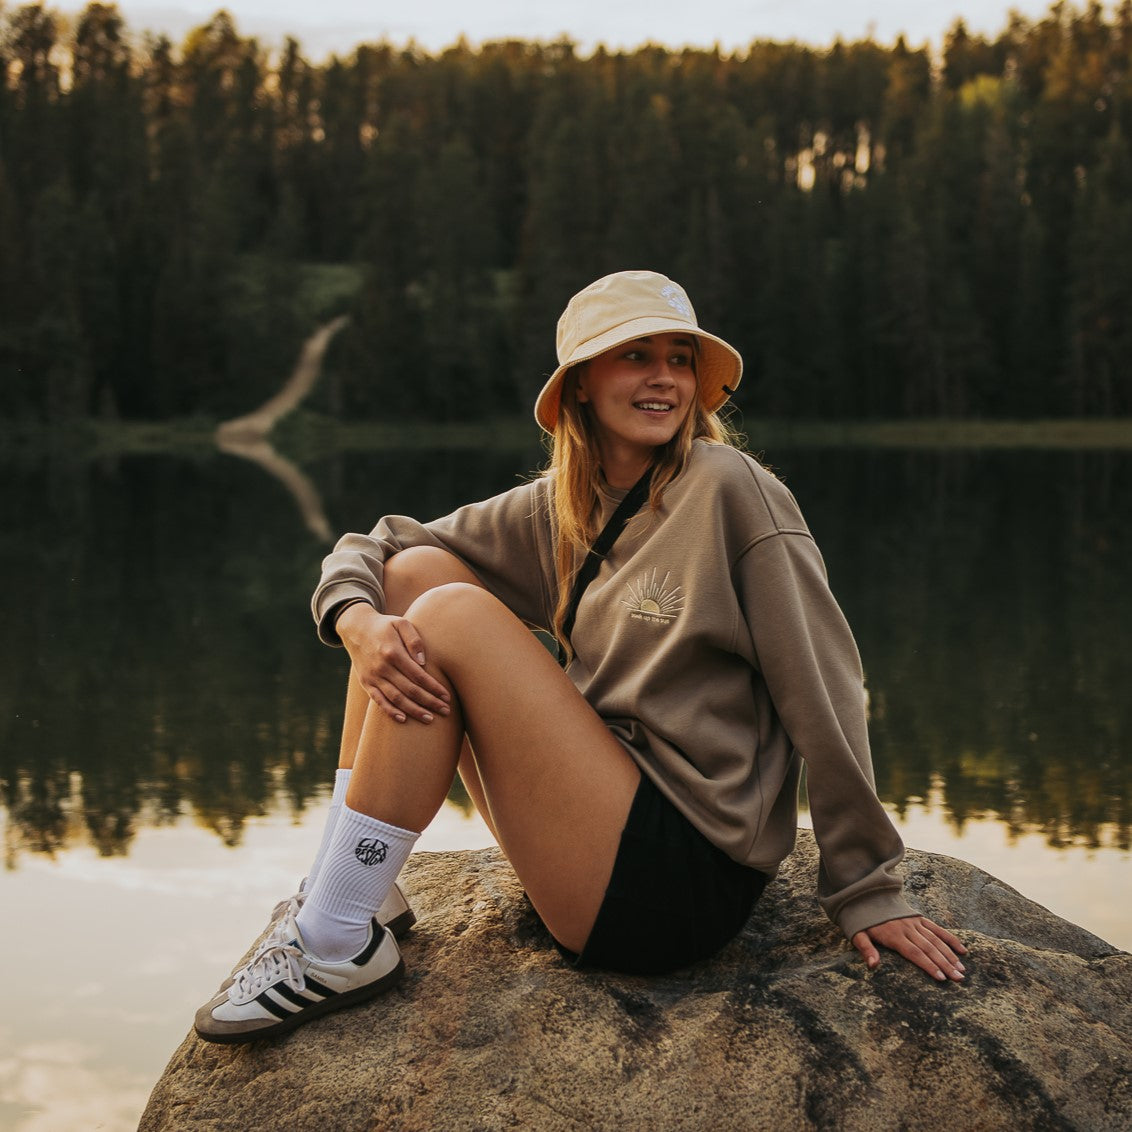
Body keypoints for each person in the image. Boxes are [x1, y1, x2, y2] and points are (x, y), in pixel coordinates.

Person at [194, 269, 967, 1044]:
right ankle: (361, 885)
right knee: (408, 580)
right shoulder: (562, 504)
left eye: (680, 358)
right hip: (598, 824)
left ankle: (330, 940)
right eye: (636, 356)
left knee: (449, 616)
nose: (665, 377)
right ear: (581, 387)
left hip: (680, 881)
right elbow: (382, 544)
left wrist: (868, 887)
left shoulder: (733, 491)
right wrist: (355, 621)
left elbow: (827, 690)